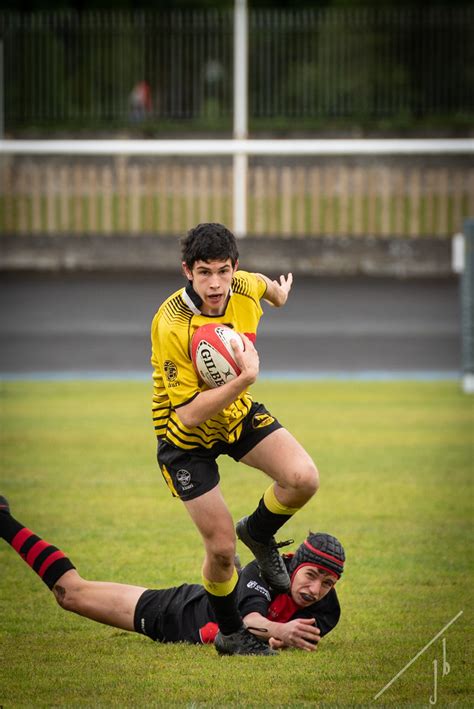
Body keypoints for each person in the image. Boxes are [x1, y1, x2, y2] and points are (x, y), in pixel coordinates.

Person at [151, 222, 320, 655]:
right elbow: (187, 414)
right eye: (204, 272)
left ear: (234, 269)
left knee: (303, 478)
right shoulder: (171, 323)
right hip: (184, 439)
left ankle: (260, 532)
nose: (215, 283)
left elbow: (263, 286)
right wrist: (244, 378)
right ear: (187, 271)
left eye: (222, 271)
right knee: (222, 548)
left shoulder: (243, 286)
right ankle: (230, 633)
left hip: (235, 416)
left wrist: (279, 296)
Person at [0, 496, 345, 654]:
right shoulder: (267, 571)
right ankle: (3, 520)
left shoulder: (328, 610)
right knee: (70, 594)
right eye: (311, 575)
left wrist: (278, 639)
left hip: (214, 619)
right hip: (179, 612)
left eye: (328, 583)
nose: (316, 590)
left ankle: (227, 572)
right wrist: (279, 630)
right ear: (293, 563)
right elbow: (253, 619)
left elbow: (282, 644)